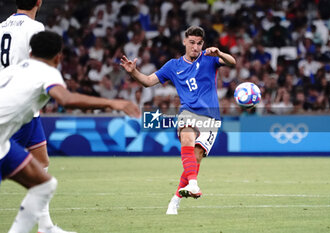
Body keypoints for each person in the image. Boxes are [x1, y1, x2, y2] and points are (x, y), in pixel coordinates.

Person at [0, 31, 140, 232]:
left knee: (44, 184)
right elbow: (66, 99)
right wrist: (112, 102)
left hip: (3, 144)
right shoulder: (48, 72)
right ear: (59, 57)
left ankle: (46, 228)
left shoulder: (10, 71)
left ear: (30, 53)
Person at [120, 26, 236, 215]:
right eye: (191, 42)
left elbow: (232, 62)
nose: (195, 47)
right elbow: (148, 81)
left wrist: (220, 52)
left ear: (203, 44)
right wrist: (133, 72)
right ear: (184, 42)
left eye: (199, 43)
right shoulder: (173, 66)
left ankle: (175, 199)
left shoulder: (209, 58)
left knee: (196, 156)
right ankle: (193, 184)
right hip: (187, 112)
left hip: (211, 117)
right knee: (187, 137)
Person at [0, 1, 68, 232]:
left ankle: (45, 226)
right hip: (19, 103)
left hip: (17, 102)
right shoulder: (35, 28)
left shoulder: (1, 28)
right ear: (39, 2)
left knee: (42, 163)